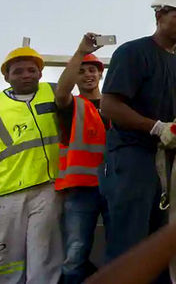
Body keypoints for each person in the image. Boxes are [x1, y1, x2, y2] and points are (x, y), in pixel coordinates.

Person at [99, 0, 176, 282]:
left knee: (162, 244)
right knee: (130, 243)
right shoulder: (133, 53)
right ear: (159, 14)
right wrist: (156, 127)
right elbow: (110, 105)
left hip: (164, 162)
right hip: (131, 158)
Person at [0, 47, 62, 284]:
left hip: (49, 187)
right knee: (8, 258)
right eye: (18, 71)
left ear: (40, 73)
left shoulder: (54, 92)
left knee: (44, 255)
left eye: (31, 70)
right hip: (7, 193)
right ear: (7, 77)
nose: (26, 75)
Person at [53, 34, 110, 284]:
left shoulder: (115, 104)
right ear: (75, 76)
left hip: (116, 185)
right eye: (82, 71)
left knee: (120, 248)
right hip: (81, 190)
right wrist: (80, 52)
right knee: (75, 253)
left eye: (93, 71)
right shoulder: (70, 105)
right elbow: (62, 91)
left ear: (100, 76)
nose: (88, 75)